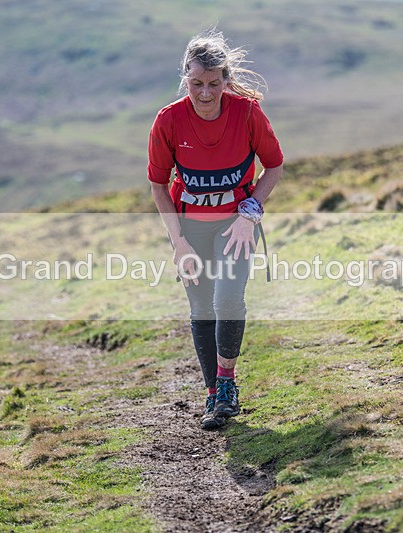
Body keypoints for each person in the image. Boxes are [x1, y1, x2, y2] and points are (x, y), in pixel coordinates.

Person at [148, 29, 284, 430]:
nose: (205, 93)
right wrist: (179, 243)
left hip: (235, 227)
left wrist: (249, 214)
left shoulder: (247, 113)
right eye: (196, 84)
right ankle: (213, 396)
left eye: (213, 83)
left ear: (225, 79)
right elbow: (158, 185)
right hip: (190, 228)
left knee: (228, 300)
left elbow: (273, 166)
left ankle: (227, 383)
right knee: (202, 309)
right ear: (185, 79)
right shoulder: (168, 120)